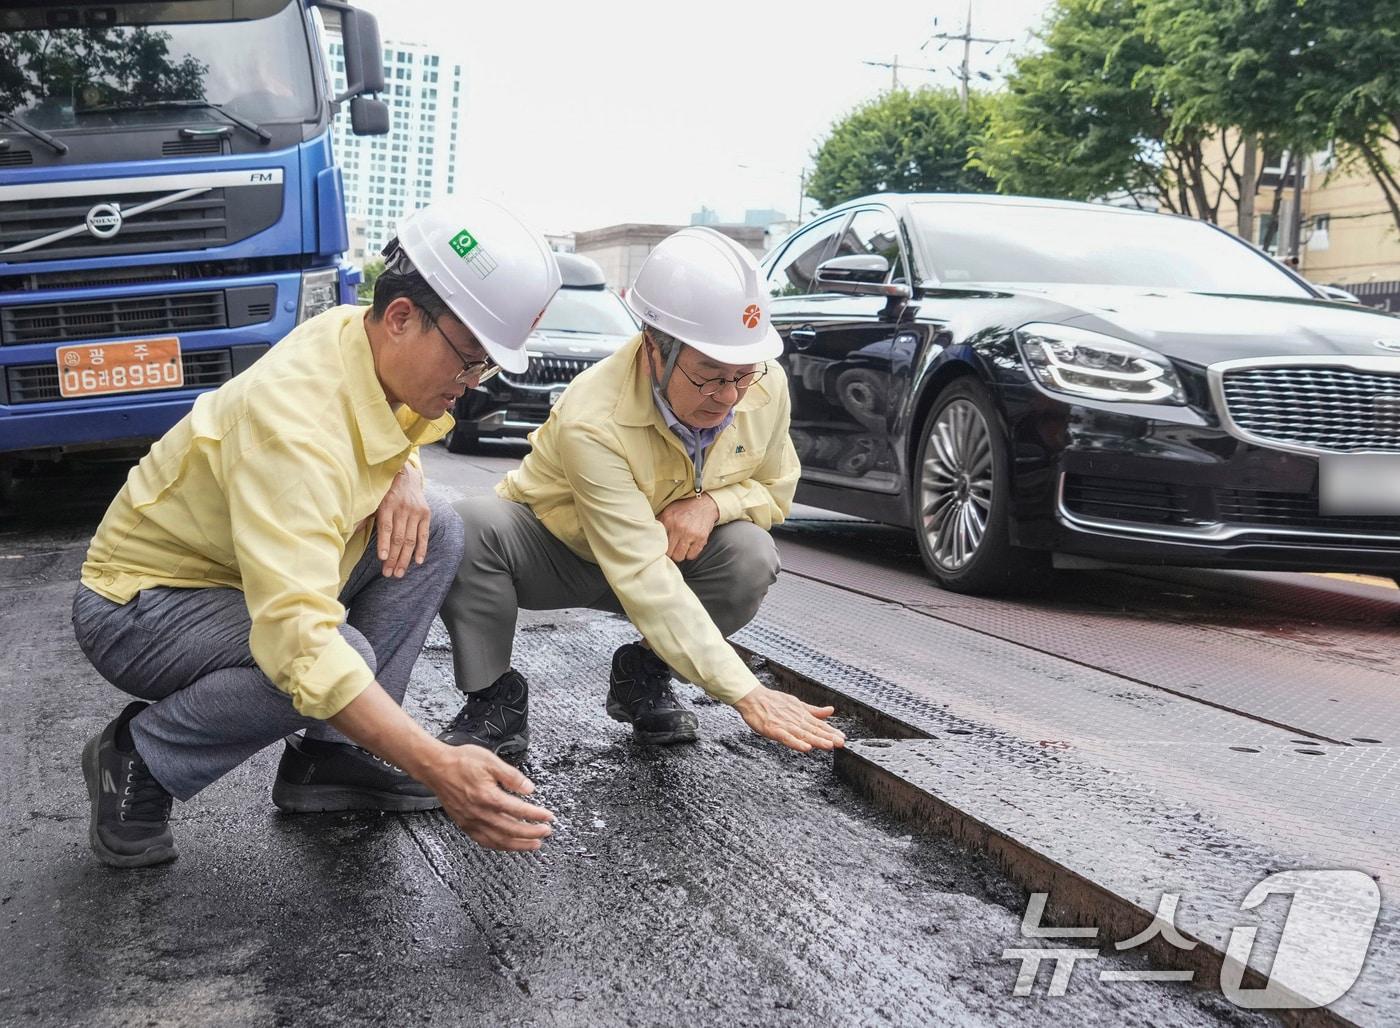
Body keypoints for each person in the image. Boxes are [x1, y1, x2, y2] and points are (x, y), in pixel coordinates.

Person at [72, 197, 561, 868]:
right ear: (400, 318)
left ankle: (334, 757)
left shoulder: (355, 336)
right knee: (338, 656)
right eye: (469, 362)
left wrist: (406, 472)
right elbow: (298, 641)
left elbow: (384, 428)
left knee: (437, 525)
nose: (472, 384)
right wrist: (437, 763)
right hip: (142, 605)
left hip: (232, 578)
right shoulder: (294, 428)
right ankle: (144, 756)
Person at [438, 227, 846, 757]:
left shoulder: (764, 384)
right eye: (709, 376)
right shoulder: (594, 415)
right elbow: (639, 569)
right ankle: (495, 698)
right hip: (558, 553)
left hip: (669, 554)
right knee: (465, 528)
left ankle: (646, 673)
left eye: (741, 376)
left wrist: (713, 504)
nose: (728, 396)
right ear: (655, 347)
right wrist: (746, 693)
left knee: (750, 554)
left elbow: (776, 489)